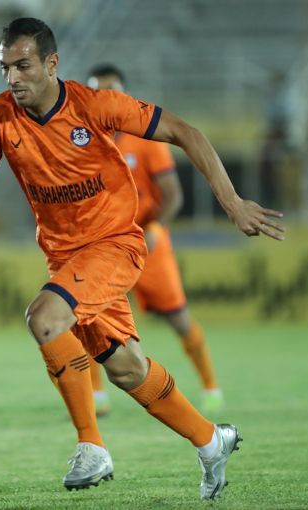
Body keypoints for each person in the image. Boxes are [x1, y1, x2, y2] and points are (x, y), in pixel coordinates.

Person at [0, 18, 284, 500]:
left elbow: (185, 131)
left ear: (52, 63)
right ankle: (212, 441)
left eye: (23, 66)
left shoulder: (95, 105)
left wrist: (231, 202)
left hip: (114, 244)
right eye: (5, 68)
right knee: (127, 368)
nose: (12, 78)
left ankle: (91, 446)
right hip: (65, 258)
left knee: (44, 318)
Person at [86, 64, 223, 418]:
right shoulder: (83, 141)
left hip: (146, 243)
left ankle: (211, 387)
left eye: (113, 90)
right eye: (98, 91)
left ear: (125, 95)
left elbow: (173, 195)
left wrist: (157, 228)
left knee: (178, 317)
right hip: (103, 245)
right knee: (87, 317)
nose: (106, 97)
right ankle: (96, 397)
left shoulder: (145, 139)